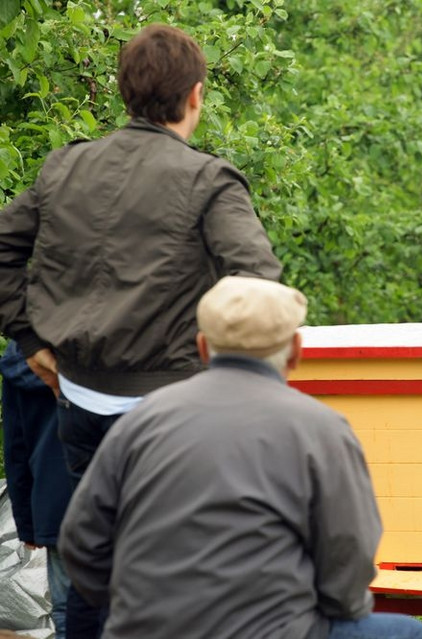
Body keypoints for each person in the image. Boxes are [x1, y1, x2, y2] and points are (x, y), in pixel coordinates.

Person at [0, 24, 281, 637]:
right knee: (187, 576)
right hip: (173, 412)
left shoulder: (65, 166)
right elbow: (258, 279)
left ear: (124, 92)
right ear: (197, 96)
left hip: (79, 401)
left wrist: (33, 343)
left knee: (91, 571)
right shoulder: (209, 180)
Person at [58, 276, 422, 639]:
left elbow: (81, 541)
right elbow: (348, 554)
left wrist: (132, 609)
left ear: (203, 347)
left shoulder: (143, 420)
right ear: (296, 352)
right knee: (412, 633)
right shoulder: (321, 428)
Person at [1, 340, 70, 639]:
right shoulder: (125, 335)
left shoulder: (23, 355)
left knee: (70, 610)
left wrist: (28, 524)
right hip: (133, 501)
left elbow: (17, 447)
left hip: (61, 505)